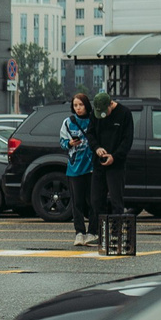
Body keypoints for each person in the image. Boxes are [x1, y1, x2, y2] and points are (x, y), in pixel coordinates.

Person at [89, 91, 133, 235]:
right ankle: (98, 233)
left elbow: (127, 140)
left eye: (104, 111)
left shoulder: (124, 114)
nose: (102, 115)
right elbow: (90, 134)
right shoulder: (95, 115)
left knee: (116, 200)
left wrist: (115, 156)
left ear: (110, 104)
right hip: (99, 163)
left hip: (116, 165)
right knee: (96, 200)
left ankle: (116, 234)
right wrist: (97, 148)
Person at [60, 91, 98, 246]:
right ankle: (79, 232)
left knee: (94, 201)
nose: (78, 108)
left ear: (87, 105)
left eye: (81, 105)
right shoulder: (68, 122)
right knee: (77, 203)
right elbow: (62, 142)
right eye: (75, 105)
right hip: (75, 168)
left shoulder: (93, 121)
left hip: (92, 167)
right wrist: (69, 143)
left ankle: (93, 232)